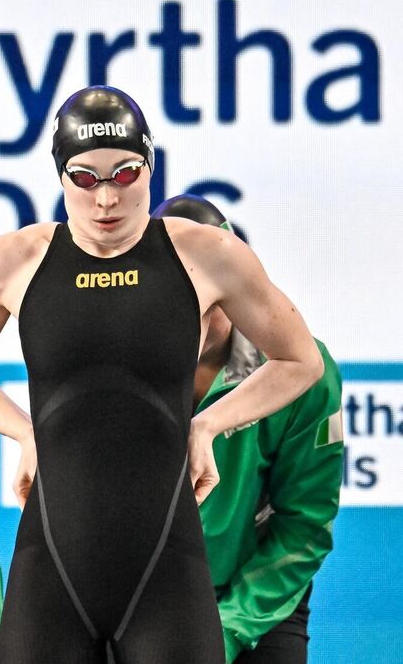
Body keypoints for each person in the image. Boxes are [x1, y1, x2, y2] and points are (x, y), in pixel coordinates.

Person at [0, 86, 324, 664]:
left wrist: (206, 426)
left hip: (169, 571)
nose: (106, 198)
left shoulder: (205, 253)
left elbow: (300, 361)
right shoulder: (14, 261)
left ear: (150, 166)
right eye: (85, 178)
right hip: (53, 570)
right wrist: (26, 431)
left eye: (125, 174)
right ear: (61, 177)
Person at [155, 195, 343, 664]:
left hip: (258, 597)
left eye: (208, 301)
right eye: (174, 302)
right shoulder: (108, 369)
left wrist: (227, 629)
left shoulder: (304, 374)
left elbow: (303, 525)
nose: (191, 323)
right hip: (144, 600)